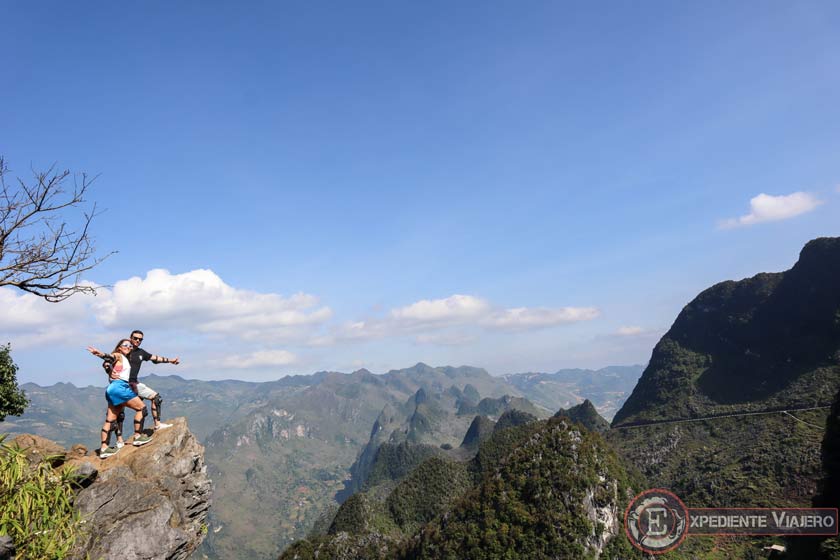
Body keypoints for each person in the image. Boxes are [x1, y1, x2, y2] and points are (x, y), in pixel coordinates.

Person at [87, 339, 149, 458]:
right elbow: (110, 358)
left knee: (110, 420)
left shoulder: (123, 359)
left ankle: (104, 448)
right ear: (119, 347)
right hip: (120, 387)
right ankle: (137, 437)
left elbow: (108, 363)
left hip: (111, 389)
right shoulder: (119, 355)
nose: (128, 347)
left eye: (130, 346)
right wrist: (100, 354)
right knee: (142, 408)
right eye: (125, 345)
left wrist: (108, 368)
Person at [126, 330, 180, 433]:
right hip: (123, 385)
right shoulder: (124, 351)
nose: (138, 340)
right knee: (118, 413)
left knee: (156, 398)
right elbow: (111, 359)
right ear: (130, 338)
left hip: (135, 383)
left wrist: (170, 360)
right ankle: (119, 440)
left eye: (140, 339)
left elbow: (155, 358)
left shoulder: (141, 353)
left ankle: (157, 425)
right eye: (135, 338)